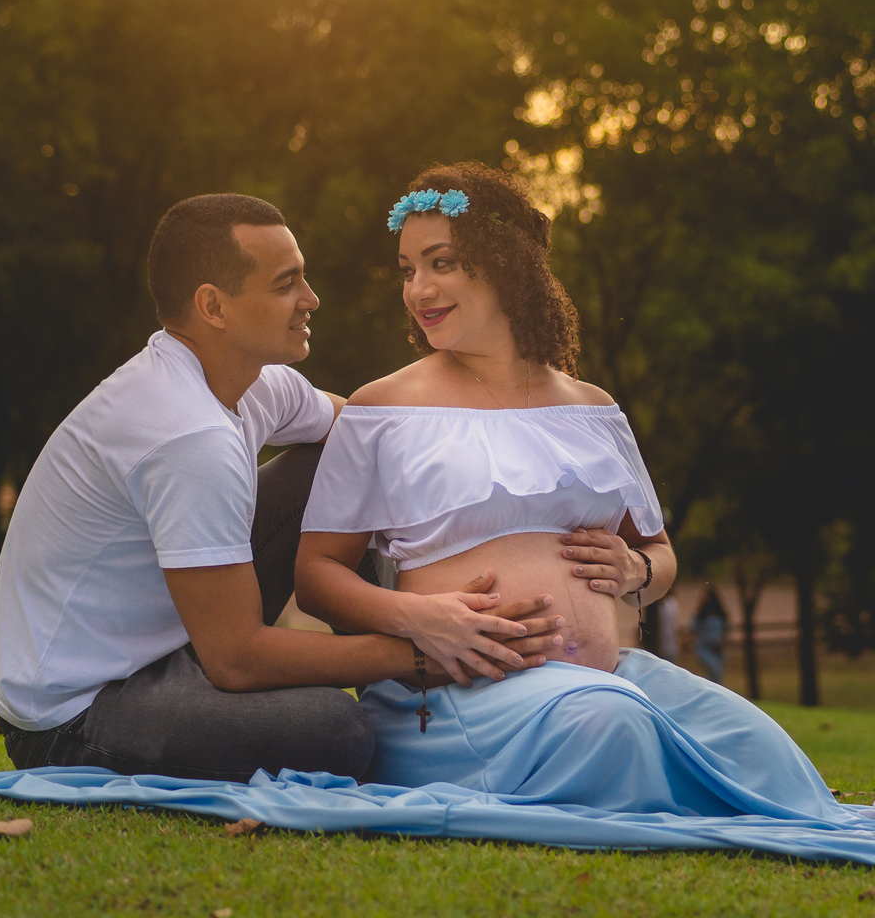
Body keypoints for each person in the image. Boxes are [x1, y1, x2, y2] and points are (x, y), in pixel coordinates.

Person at [293, 163, 843, 820]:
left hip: (604, 680)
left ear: (504, 263)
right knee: (612, 729)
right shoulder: (381, 408)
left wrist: (636, 568)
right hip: (456, 695)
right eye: (408, 269)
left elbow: (662, 559)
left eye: (440, 263)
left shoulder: (593, 408)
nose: (419, 288)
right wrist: (418, 620)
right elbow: (316, 576)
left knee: (765, 753)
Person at [0, 193, 559, 783]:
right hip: (75, 713)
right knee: (338, 732)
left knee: (338, 460)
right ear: (214, 306)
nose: (311, 301)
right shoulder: (186, 437)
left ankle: (437, 656)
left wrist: (516, 474)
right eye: (287, 284)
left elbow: (374, 434)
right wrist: (415, 650)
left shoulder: (252, 383)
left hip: (172, 651)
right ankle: (434, 665)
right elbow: (235, 659)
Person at [693, 586, 728, 682]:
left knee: (718, 674)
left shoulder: (720, 614)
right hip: (705, 648)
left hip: (717, 650)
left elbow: (725, 630)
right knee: (713, 670)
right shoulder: (701, 615)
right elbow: (694, 628)